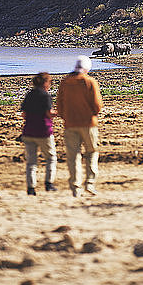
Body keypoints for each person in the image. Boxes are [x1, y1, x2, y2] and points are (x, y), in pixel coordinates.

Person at [56, 55, 103, 197]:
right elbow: (97, 105)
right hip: (88, 124)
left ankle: (75, 187)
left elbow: (59, 105)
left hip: (70, 124)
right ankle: (90, 183)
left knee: (73, 156)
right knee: (92, 152)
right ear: (87, 68)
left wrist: (66, 117)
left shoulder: (65, 82)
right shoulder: (90, 82)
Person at [21, 72, 57, 196]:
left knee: (31, 161)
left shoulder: (29, 95)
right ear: (45, 83)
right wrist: (59, 113)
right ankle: (49, 183)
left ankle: (31, 188)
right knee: (51, 157)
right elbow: (49, 113)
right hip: (43, 131)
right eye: (49, 82)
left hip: (29, 131)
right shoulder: (45, 96)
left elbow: (24, 114)